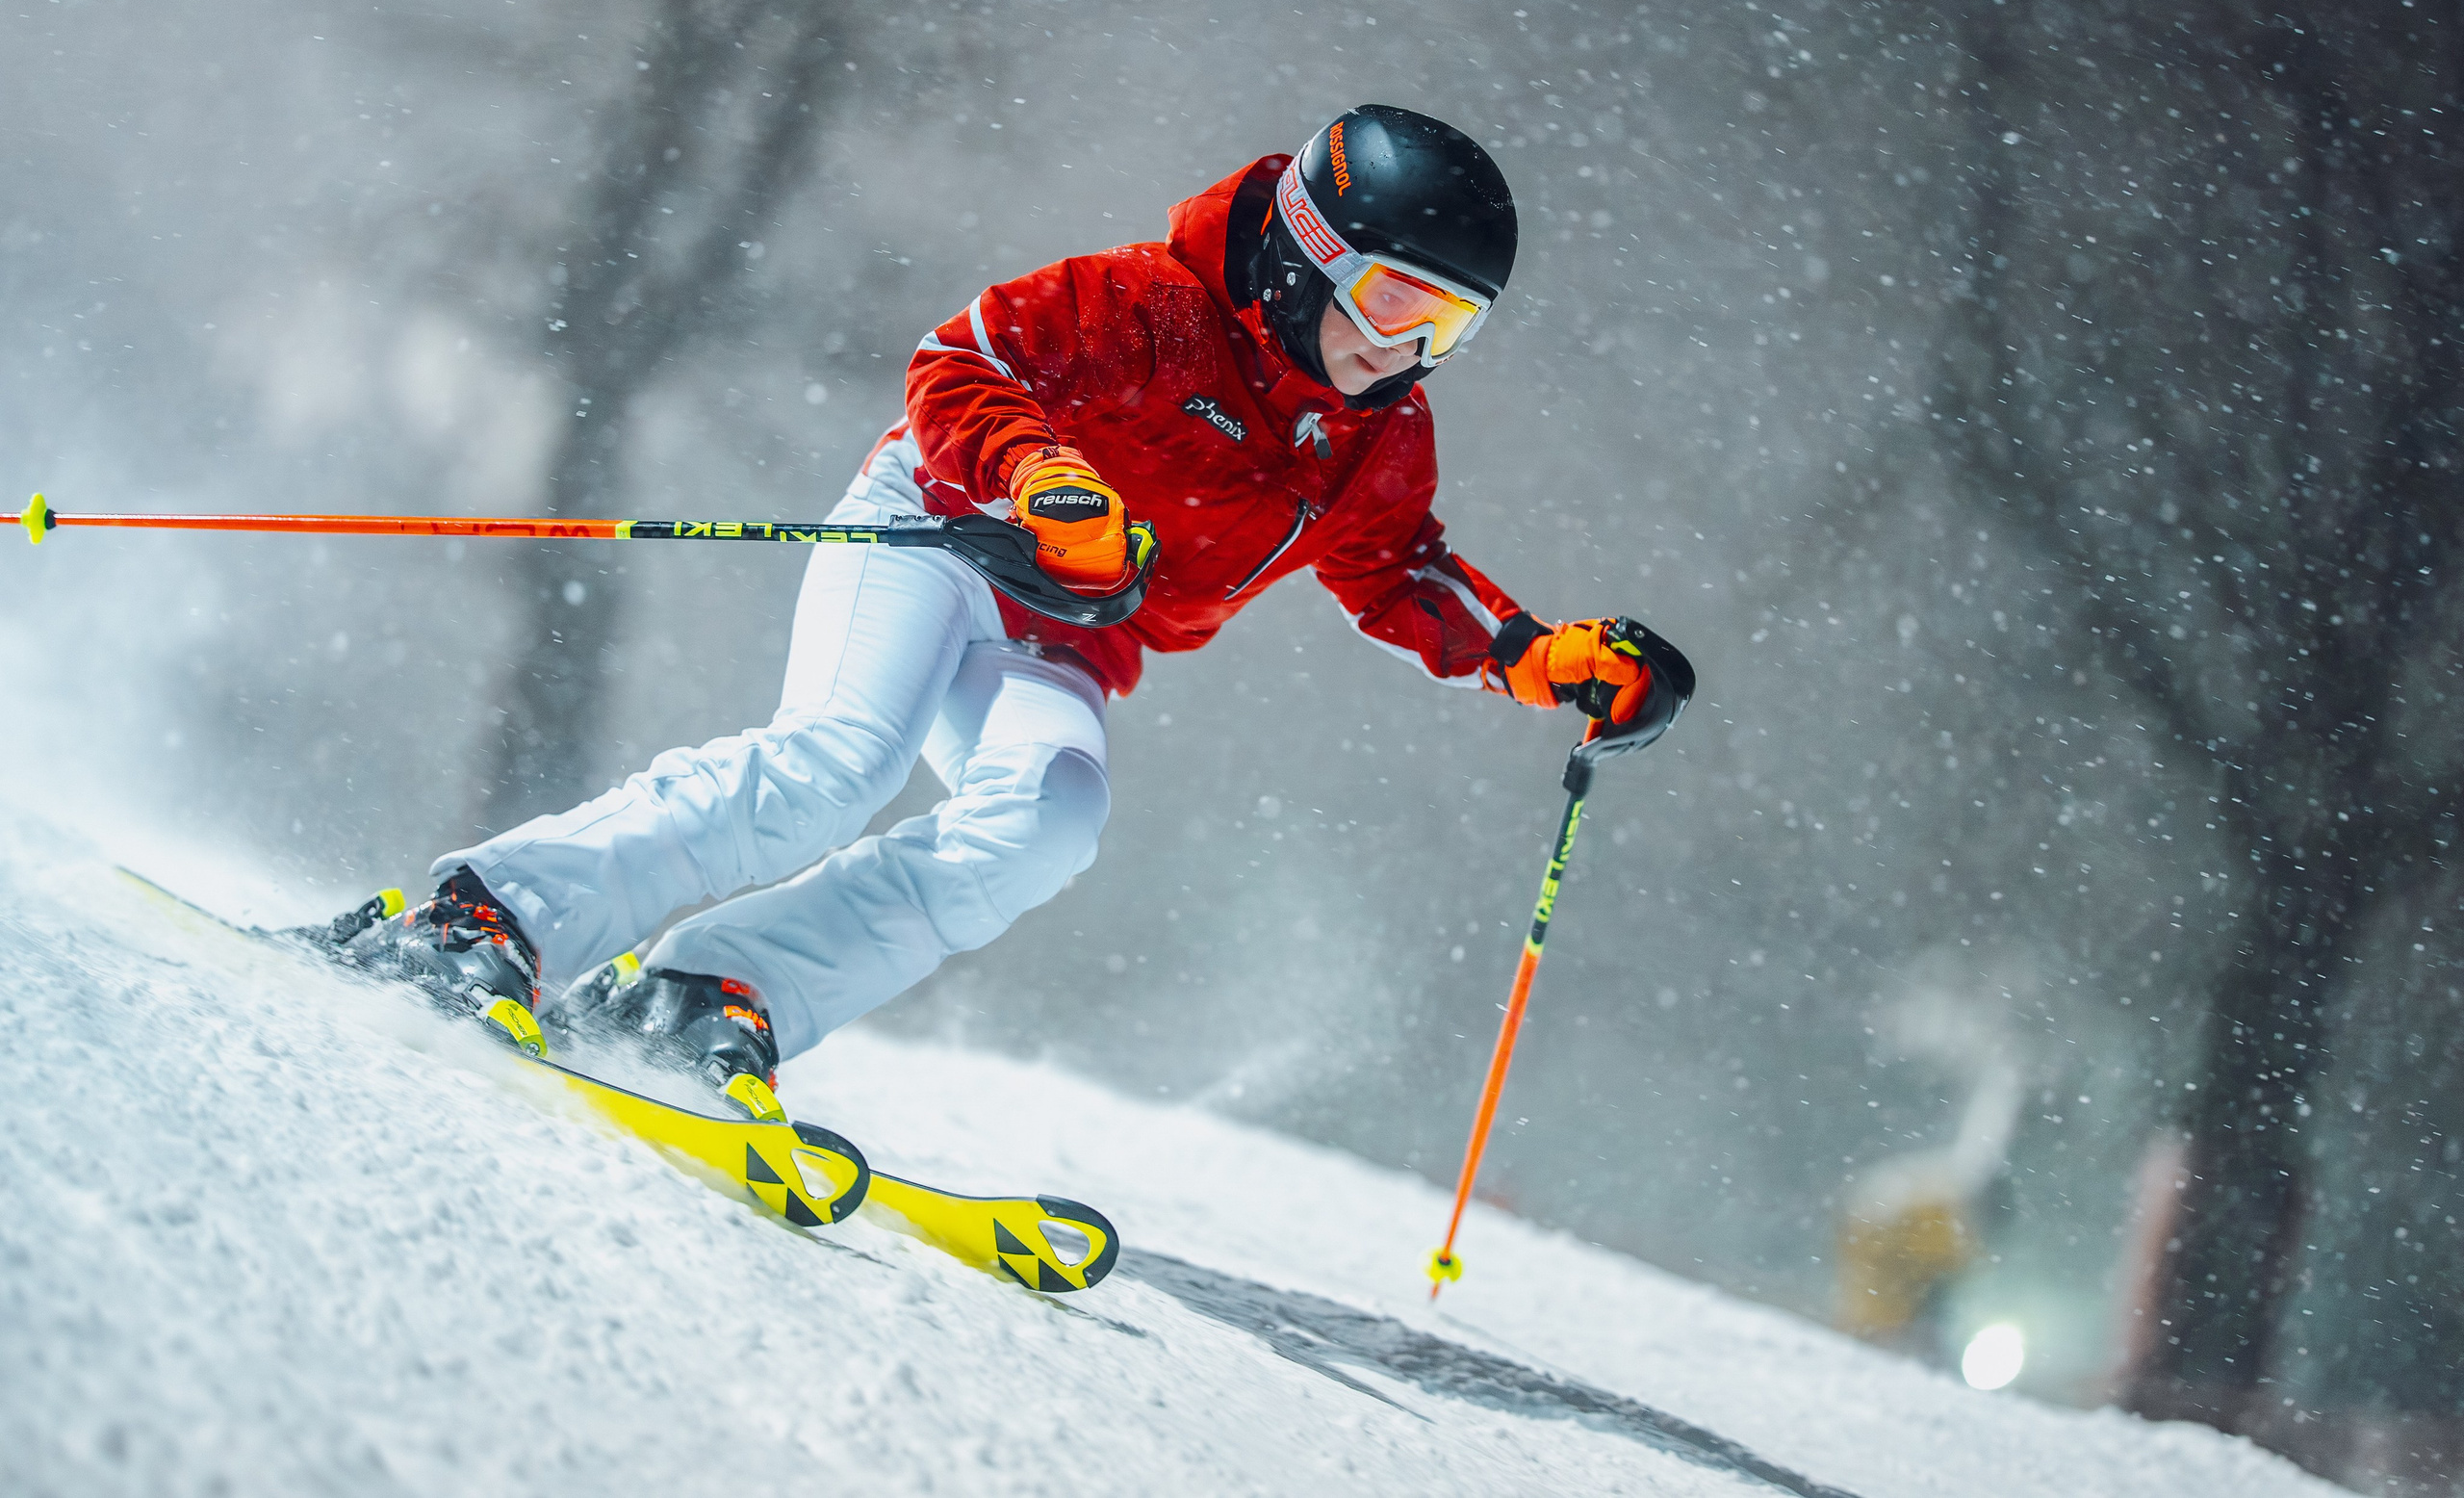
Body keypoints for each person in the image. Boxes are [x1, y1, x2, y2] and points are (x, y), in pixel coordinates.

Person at [340, 104, 1670, 1090]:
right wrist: (1040, 480)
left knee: (1048, 822)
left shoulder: (1374, 433)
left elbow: (1394, 566)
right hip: (944, 533)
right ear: (1309, 251)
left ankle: (715, 988)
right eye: (1390, 302)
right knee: (830, 767)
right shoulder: (1152, 308)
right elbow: (962, 360)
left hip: (1070, 637)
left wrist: (1532, 655)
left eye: (1448, 329)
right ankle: (491, 913)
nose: (1402, 352)